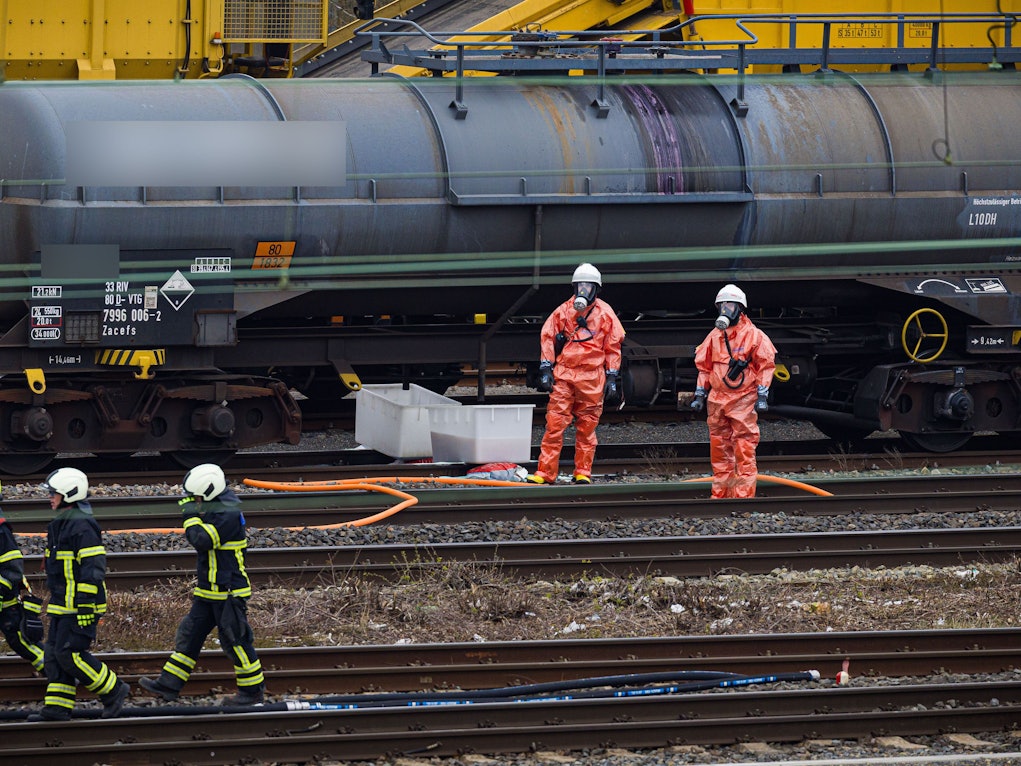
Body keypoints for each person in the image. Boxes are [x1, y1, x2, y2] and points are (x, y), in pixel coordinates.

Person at [139, 464, 265, 705]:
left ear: (208, 491)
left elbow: (202, 540)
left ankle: (252, 692)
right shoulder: (214, 507)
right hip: (208, 591)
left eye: (195, 497)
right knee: (190, 636)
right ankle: (169, 684)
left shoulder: (227, 514)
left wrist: (189, 516)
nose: (193, 501)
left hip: (228, 592)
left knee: (236, 641)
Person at [31, 467, 130, 721]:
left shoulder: (82, 527)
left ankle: (114, 690)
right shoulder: (61, 525)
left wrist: (86, 606)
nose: (50, 497)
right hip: (62, 604)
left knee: (70, 654)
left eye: (53, 493)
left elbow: (92, 570)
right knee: (54, 653)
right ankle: (58, 707)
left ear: (68, 494)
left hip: (80, 606)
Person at [527, 263, 626, 485]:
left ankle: (583, 472)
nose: (583, 290)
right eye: (580, 285)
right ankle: (545, 473)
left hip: (592, 378)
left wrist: (612, 376)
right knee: (554, 425)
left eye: (587, 286)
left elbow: (613, 346)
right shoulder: (563, 311)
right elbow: (548, 336)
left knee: (587, 428)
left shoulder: (605, 314)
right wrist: (546, 367)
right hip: (565, 375)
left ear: (596, 289)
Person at [691, 284, 777, 499]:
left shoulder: (754, 336)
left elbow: (765, 366)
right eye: (722, 305)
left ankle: (742, 497)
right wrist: (700, 393)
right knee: (719, 448)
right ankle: (720, 494)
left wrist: (762, 395)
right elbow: (704, 367)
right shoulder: (714, 336)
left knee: (743, 447)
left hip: (743, 398)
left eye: (729, 305)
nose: (725, 310)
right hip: (717, 400)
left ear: (740, 307)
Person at [0, 481, 45, 675]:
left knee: (20, 640)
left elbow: (12, 567)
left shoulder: (1, 532)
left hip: (4, 598)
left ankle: (58, 673)